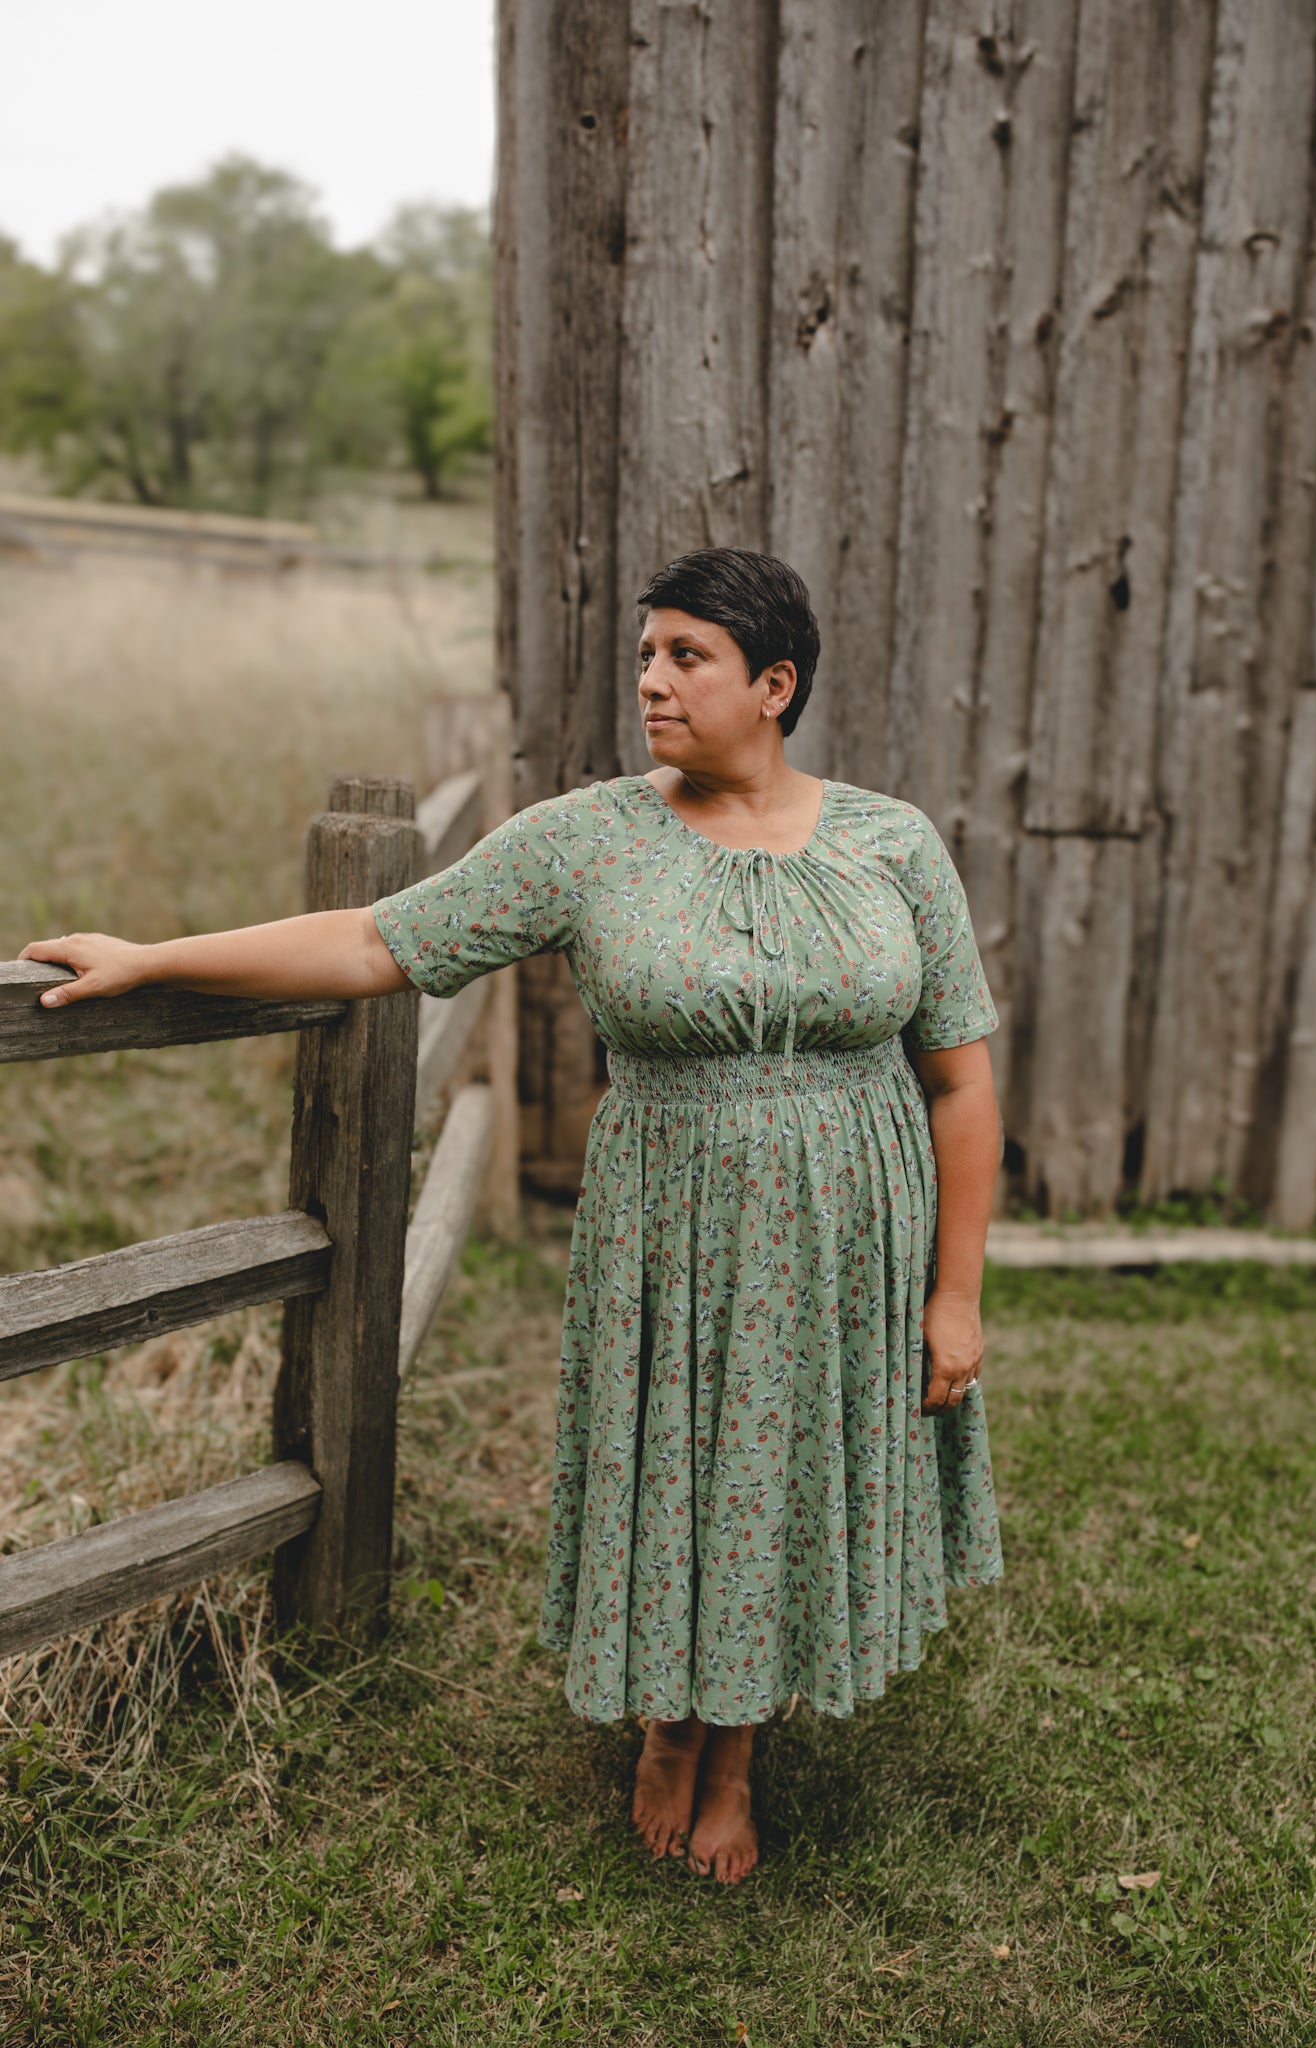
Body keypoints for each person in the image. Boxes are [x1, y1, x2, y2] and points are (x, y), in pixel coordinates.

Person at [22, 546, 1003, 1887]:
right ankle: (671, 1724)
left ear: (775, 685)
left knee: (789, 1472)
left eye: (687, 657)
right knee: (687, 1468)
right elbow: (377, 941)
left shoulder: (893, 842)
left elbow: (958, 1078)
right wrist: (153, 957)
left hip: (851, 1236)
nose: (650, 681)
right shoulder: (587, 839)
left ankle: (736, 1753)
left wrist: (955, 1293)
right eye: (646, 655)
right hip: (673, 1232)